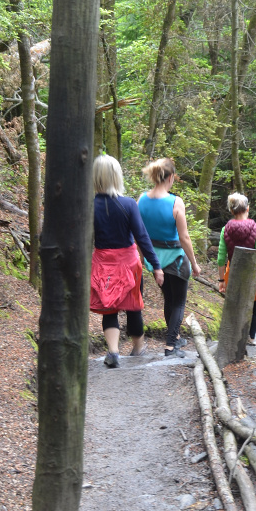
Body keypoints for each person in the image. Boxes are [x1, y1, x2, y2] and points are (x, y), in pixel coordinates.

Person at [91, 154, 164, 368]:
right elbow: (142, 237)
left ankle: (113, 351)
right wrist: (156, 266)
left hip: (103, 261)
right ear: (116, 176)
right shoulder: (128, 204)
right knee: (133, 307)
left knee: (108, 308)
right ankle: (138, 348)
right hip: (128, 264)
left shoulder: (89, 205)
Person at [138, 157, 201, 358]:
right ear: (171, 177)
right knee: (179, 303)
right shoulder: (176, 202)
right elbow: (184, 237)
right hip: (176, 259)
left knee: (169, 299)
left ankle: (174, 338)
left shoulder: (141, 200)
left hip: (154, 260)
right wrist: (194, 263)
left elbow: (138, 234)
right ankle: (170, 346)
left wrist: (142, 257)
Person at [217, 192, 256, 344]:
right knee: (255, 308)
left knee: (236, 305)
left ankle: (234, 336)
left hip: (234, 273)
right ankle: (250, 338)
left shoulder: (226, 229)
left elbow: (220, 257)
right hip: (255, 273)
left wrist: (221, 280)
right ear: (248, 209)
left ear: (231, 211)